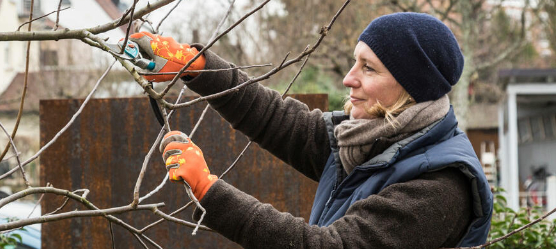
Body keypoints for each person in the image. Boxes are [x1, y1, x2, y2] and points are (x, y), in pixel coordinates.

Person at [130, 12, 493, 248]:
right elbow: (277, 119)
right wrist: (199, 67)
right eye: (355, 62)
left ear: (410, 88)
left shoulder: (440, 187)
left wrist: (209, 189)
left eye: (369, 68)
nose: (349, 78)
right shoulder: (368, 140)